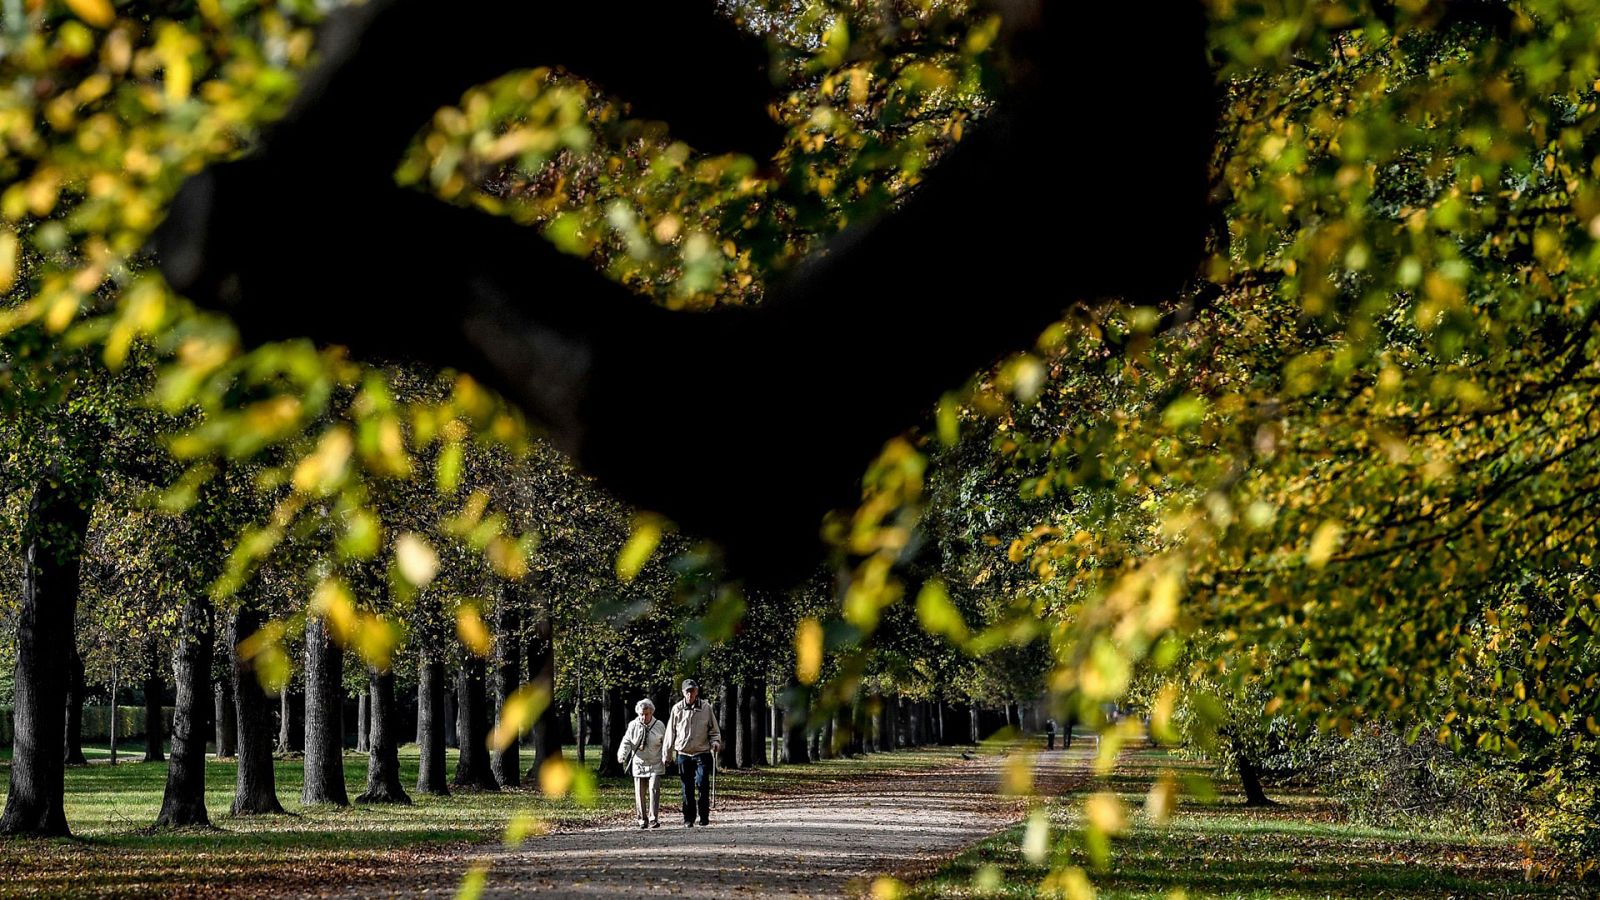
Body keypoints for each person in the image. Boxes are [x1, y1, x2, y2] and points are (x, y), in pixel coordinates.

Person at [661, 679, 721, 827]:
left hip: (702, 753)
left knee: (702, 784)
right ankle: (688, 818)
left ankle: (704, 817)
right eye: (687, 691)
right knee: (686, 788)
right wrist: (667, 755)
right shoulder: (677, 709)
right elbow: (670, 733)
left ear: (697, 692)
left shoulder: (706, 708)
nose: (690, 694)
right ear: (683, 693)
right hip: (683, 754)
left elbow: (714, 730)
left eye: (692, 691)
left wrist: (715, 742)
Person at [618, 698, 667, 829]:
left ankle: (653, 818)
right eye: (641, 714)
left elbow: (665, 743)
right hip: (639, 763)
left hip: (655, 762)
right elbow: (626, 741)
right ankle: (642, 819)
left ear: (651, 712)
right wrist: (622, 754)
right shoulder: (633, 725)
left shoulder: (659, 725)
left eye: (646, 714)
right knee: (639, 792)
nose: (644, 717)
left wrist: (666, 756)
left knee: (654, 789)